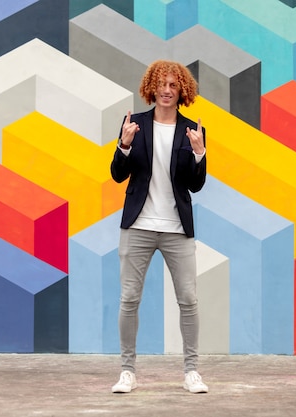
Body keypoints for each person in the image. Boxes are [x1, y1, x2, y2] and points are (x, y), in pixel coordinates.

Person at [109, 60, 208, 394]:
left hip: (177, 228)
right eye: (162, 84)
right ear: (152, 88)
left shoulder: (194, 129)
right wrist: (123, 146)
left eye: (173, 86)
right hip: (137, 224)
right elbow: (117, 174)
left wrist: (198, 156)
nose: (167, 91)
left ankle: (192, 371)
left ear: (182, 92)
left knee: (189, 299)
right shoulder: (133, 124)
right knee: (129, 298)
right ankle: (127, 371)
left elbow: (195, 185)